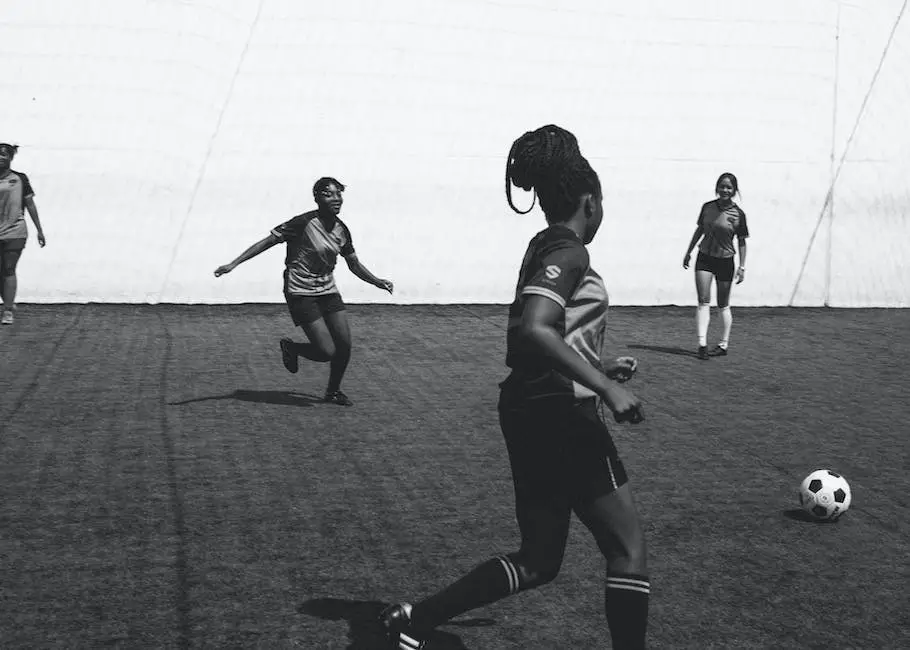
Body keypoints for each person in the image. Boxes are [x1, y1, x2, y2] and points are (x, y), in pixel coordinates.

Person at [381, 125, 649, 650]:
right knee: (628, 548)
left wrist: (599, 363)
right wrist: (606, 389)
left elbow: (534, 336)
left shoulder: (541, 244)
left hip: (528, 406)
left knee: (539, 560)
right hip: (561, 416)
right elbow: (534, 327)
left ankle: (416, 620)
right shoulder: (570, 251)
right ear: (590, 200)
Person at [214, 176, 393, 406]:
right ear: (317, 198)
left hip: (327, 289)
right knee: (326, 351)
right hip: (300, 290)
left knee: (344, 345)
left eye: (339, 193)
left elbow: (354, 264)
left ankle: (333, 391)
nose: (336, 199)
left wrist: (377, 281)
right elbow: (267, 242)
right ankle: (292, 347)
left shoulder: (342, 229)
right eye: (329, 194)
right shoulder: (303, 223)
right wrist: (233, 264)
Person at [682, 172, 749, 360]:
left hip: (725, 261)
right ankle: (702, 344)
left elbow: (742, 242)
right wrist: (688, 252)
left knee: (722, 305)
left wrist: (742, 267)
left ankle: (723, 344)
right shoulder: (707, 207)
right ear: (716, 188)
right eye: (722, 186)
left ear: (734, 191)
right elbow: (700, 230)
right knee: (703, 299)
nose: (725, 190)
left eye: (729, 187)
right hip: (705, 257)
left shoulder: (738, 215)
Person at [0, 143, 46, 325]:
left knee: (9, 269)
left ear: (11, 158)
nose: (1, 157)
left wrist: (39, 230)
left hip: (15, 232)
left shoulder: (20, 179)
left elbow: (30, 205)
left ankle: (8, 310)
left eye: (5, 154)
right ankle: (9, 300)